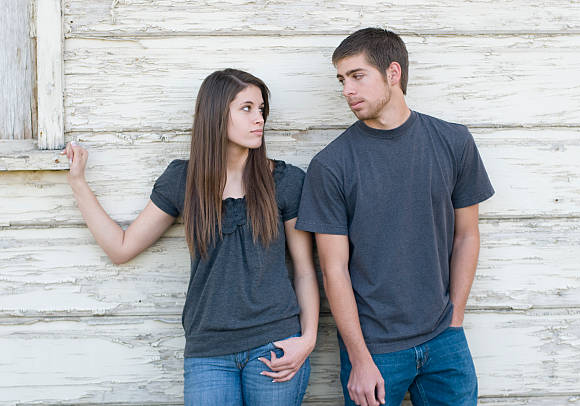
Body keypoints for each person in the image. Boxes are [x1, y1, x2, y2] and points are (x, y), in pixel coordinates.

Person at [62, 68, 319, 406]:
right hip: (208, 353)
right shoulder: (182, 181)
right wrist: (78, 183)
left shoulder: (285, 181)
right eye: (246, 108)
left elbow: (304, 269)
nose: (259, 118)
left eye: (261, 109)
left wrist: (308, 339)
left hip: (275, 345)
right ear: (215, 114)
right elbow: (120, 248)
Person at [296, 28, 495, 406]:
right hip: (375, 350)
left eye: (357, 76)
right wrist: (358, 357)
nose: (346, 91)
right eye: (341, 80)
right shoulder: (332, 165)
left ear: (392, 73)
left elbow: (467, 235)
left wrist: (455, 317)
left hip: (444, 338)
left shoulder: (453, 142)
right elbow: (333, 269)